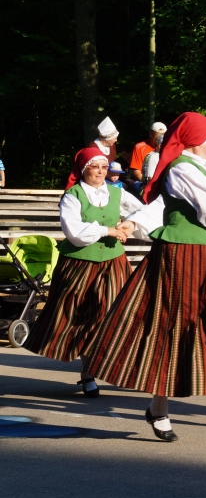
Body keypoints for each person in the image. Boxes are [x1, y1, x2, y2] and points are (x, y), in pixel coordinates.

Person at [86, 112, 206, 442]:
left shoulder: (205, 169)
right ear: (196, 140)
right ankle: (160, 408)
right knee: (172, 330)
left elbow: (183, 202)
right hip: (183, 257)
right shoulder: (181, 168)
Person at [22, 148, 141, 398]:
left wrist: (130, 225)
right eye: (95, 166)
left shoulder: (118, 193)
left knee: (112, 314)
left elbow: (142, 213)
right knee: (79, 318)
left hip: (112, 261)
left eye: (104, 166)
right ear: (84, 169)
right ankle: (88, 374)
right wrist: (108, 230)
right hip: (79, 264)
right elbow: (74, 232)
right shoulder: (72, 196)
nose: (100, 171)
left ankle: (109, 368)